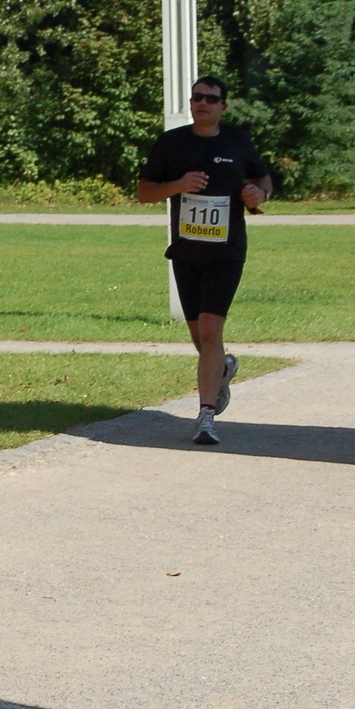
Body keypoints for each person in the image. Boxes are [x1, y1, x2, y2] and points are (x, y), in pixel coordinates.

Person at [136, 77, 271, 445]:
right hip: (186, 251)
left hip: (226, 251)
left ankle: (206, 417)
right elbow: (144, 192)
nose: (202, 103)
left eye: (211, 99)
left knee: (212, 329)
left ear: (223, 107)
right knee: (201, 337)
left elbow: (263, 179)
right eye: (197, 97)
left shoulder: (237, 141)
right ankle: (223, 368)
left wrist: (259, 194)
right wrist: (177, 185)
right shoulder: (172, 143)